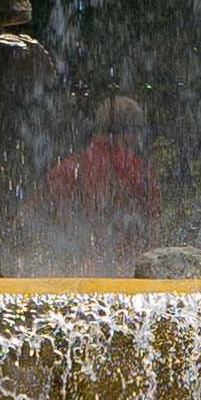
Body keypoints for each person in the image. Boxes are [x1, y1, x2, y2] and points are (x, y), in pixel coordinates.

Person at [26, 90, 163, 274]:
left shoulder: (65, 169)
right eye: (138, 131)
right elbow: (153, 232)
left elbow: (27, 219)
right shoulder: (139, 172)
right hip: (126, 276)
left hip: (71, 274)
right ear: (130, 132)